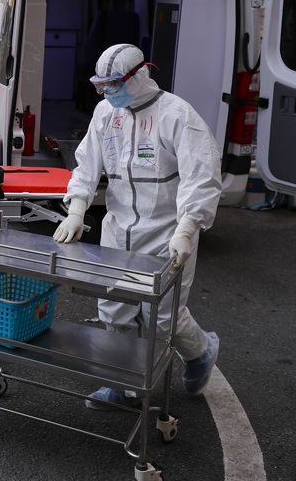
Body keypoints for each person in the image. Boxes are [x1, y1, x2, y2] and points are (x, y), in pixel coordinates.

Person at [53, 43, 222, 407]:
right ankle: (122, 385)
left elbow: (202, 176)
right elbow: (87, 163)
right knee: (114, 309)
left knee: (162, 318)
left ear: (139, 75)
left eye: (113, 83)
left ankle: (201, 351)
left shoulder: (177, 115)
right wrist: (77, 209)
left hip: (166, 234)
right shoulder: (105, 113)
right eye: (101, 85)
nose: (106, 92)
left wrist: (187, 228)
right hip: (118, 230)